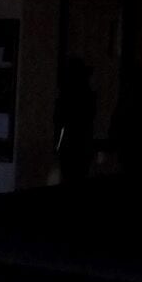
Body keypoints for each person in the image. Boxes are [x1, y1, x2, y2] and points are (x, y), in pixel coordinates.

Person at [52, 57, 96, 187]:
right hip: (83, 145)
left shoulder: (65, 95)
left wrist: (57, 146)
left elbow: (58, 122)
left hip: (70, 146)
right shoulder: (88, 95)